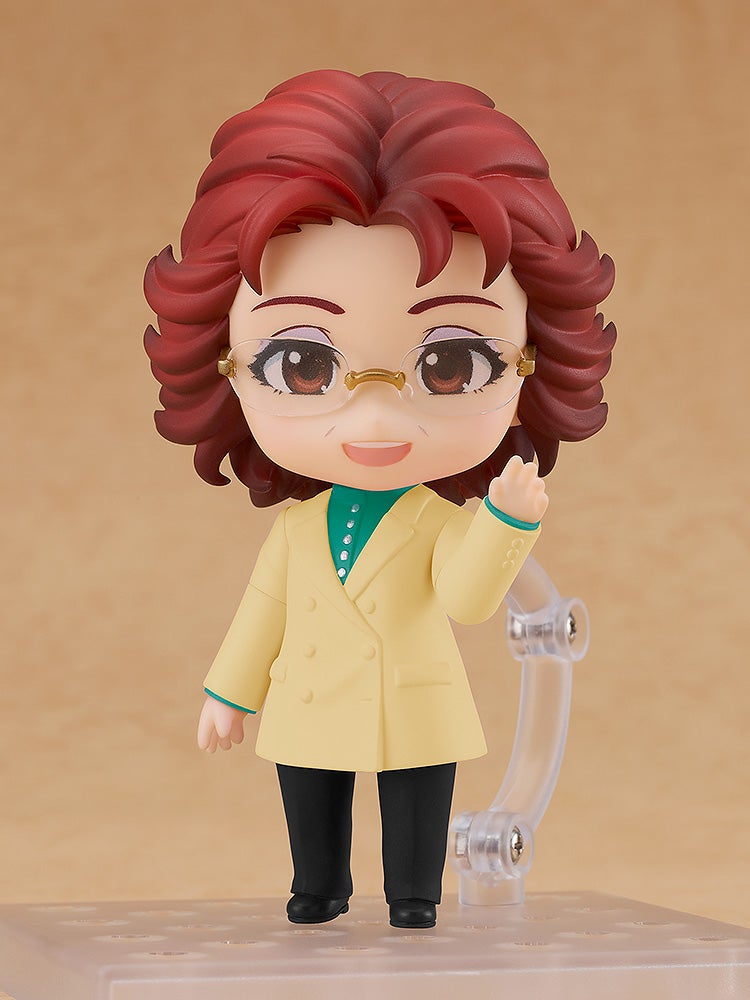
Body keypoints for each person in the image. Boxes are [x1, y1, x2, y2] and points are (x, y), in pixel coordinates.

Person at [144, 69, 615, 929]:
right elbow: (262, 614)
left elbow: (469, 598)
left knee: (415, 802)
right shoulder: (297, 531)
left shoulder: (437, 520)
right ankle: (318, 885)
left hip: (414, 700)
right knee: (311, 798)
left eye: (450, 365)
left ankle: (414, 895)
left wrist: (506, 520)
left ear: (532, 361)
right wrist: (230, 694)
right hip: (312, 698)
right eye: (301, 365)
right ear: (223, 366)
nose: (372, 415)